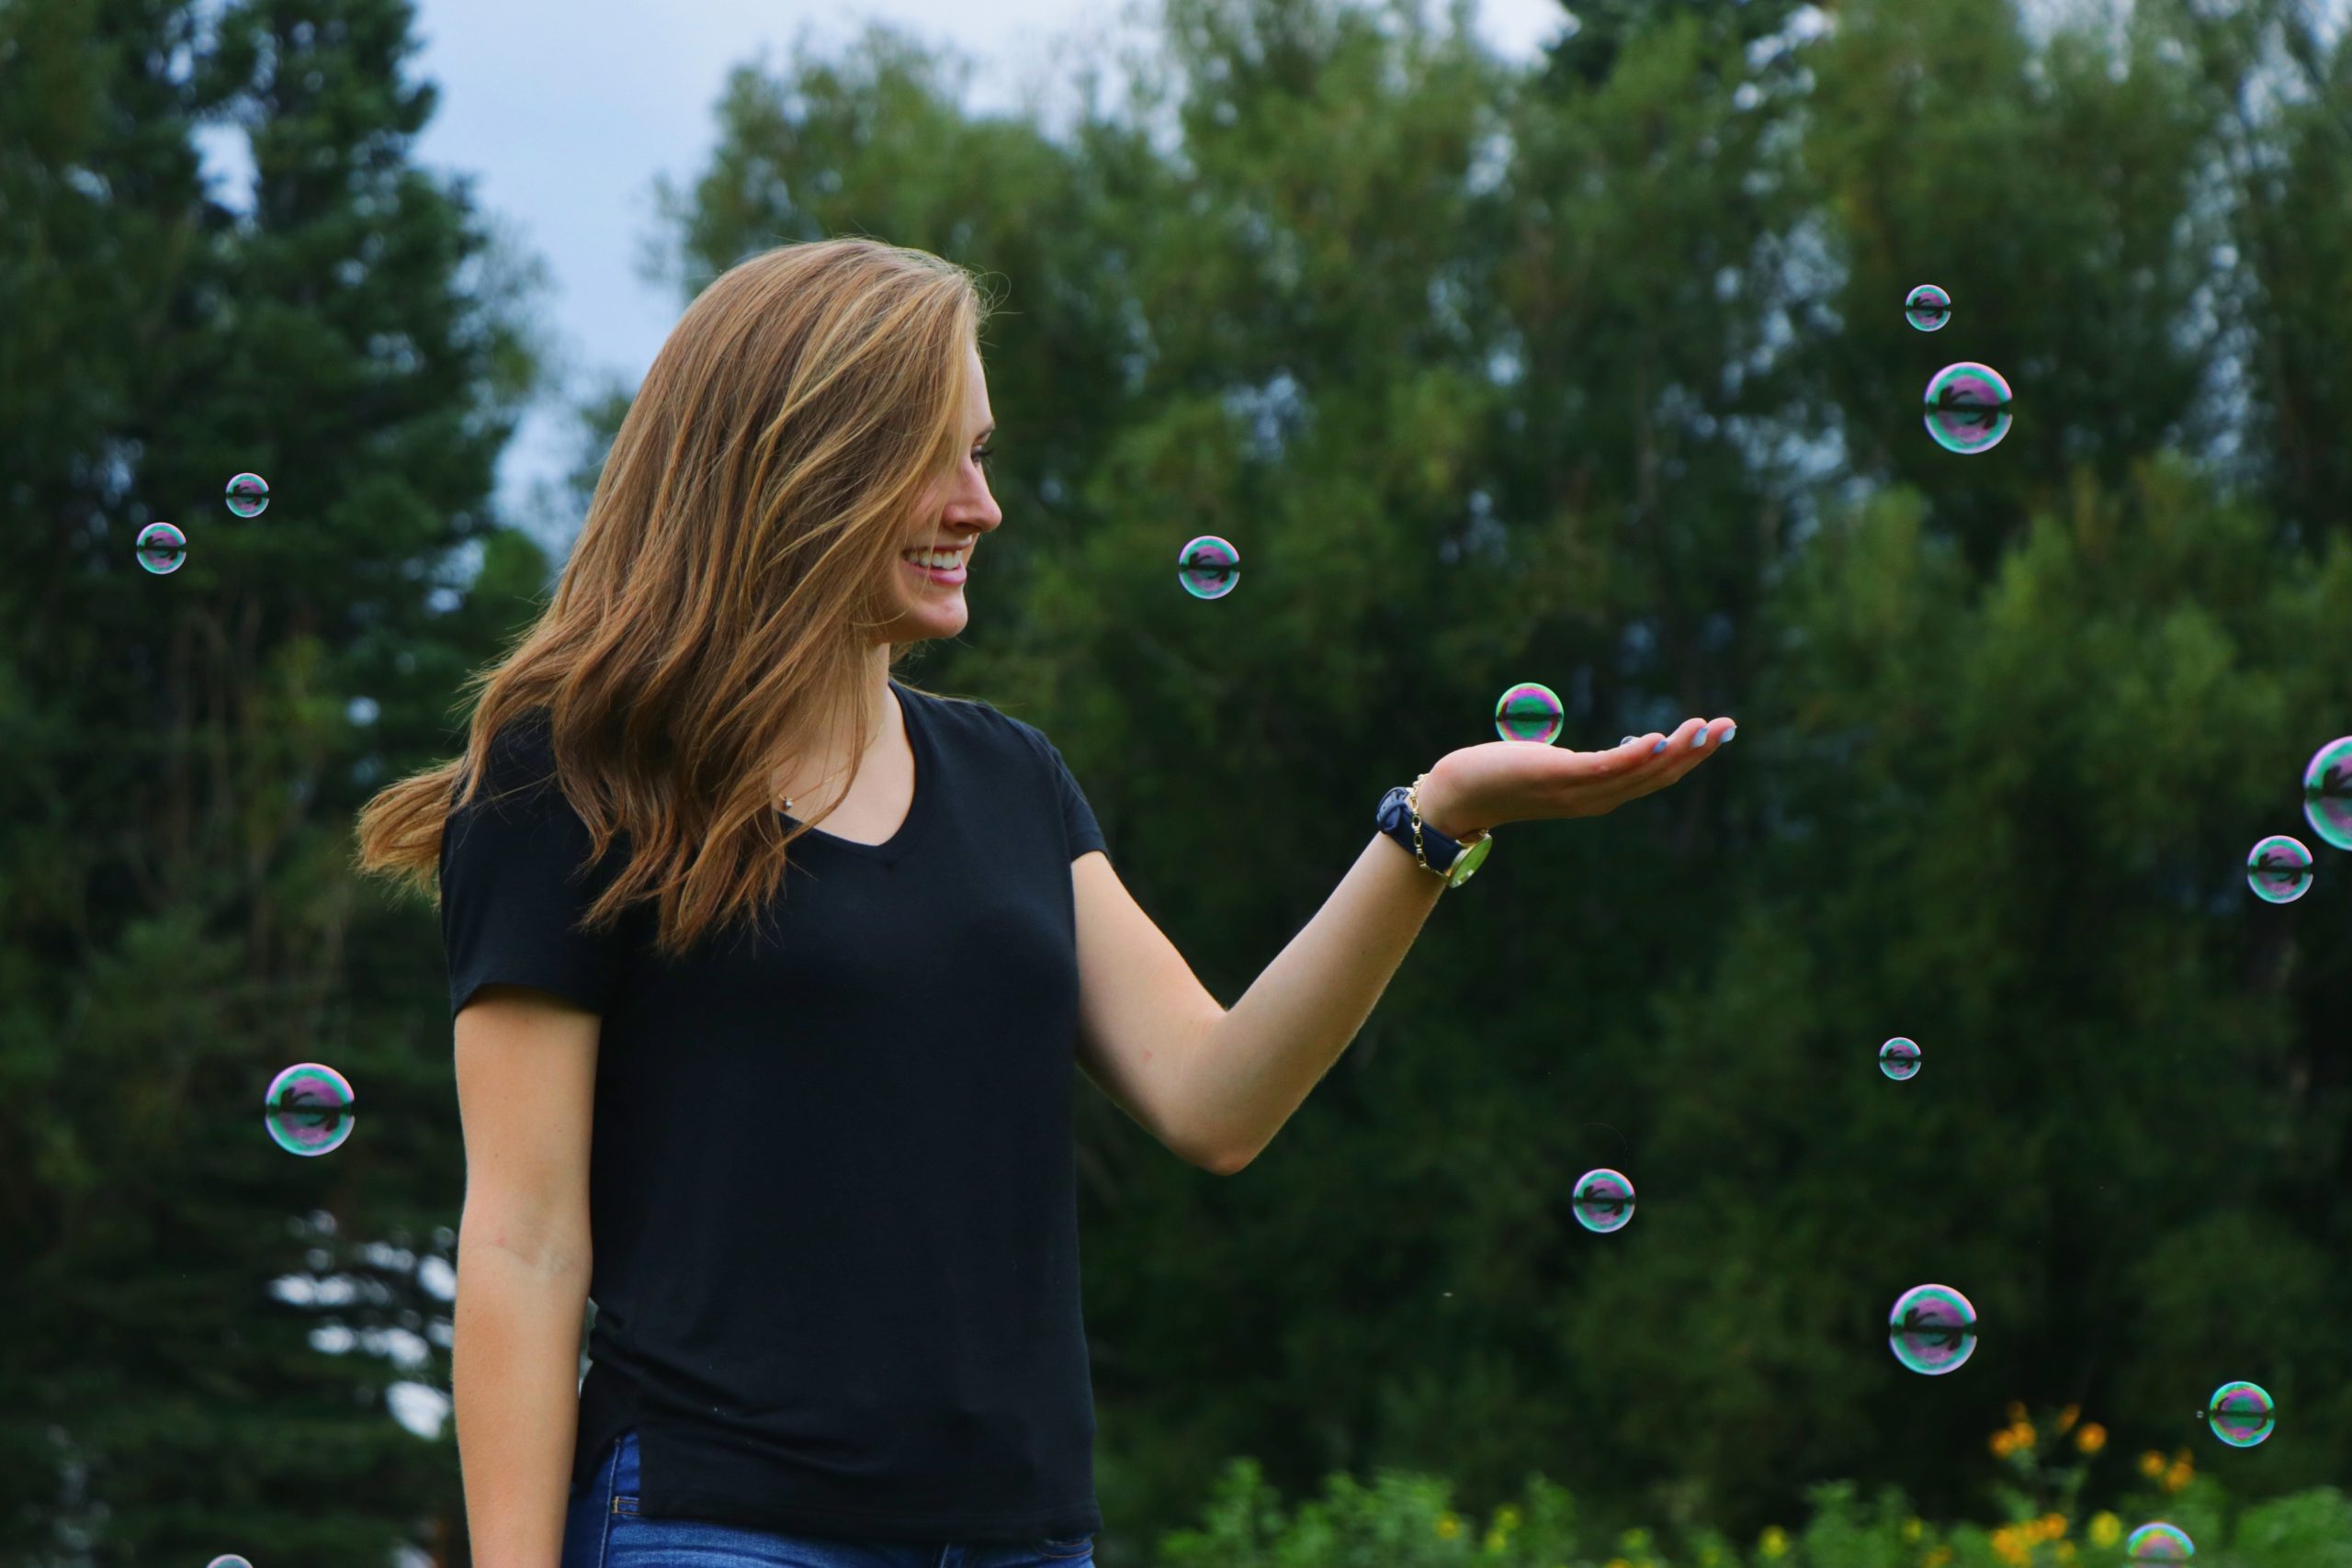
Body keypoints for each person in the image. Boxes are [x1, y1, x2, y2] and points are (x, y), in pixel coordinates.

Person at [350, 235, 1732, 1568]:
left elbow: (1216, 1099)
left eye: (983, 454)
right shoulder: (571, 779)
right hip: (717, 1525)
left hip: (1020, 1540)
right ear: (802, 468)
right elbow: (524, 1241)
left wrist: (1434, 820)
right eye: (936, 458)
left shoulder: (1009, 780)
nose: (981, 505)